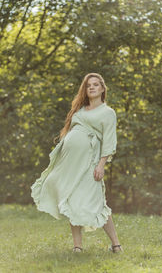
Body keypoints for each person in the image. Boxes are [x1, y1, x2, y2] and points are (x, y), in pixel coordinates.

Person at [31, 73, 123, 253]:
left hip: (89, 163)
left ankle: (116, 245)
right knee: (70, 198)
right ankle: (77, 247)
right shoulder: (80, 111)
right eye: (89, 85)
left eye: (96, 84)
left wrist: (101, 165)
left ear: (103, 89)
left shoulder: (107, 112)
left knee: (97, 202)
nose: (92, 87)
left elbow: (110, 141)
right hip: (70, 163)